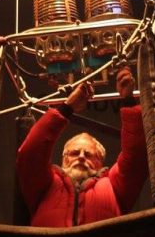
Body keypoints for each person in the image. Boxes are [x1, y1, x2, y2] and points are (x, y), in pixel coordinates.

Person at [16, 66, 147, 227]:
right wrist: (67, 107)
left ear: (101, 162)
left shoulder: (114, 185)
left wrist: (128, 100)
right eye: (74, 153)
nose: (81, 157)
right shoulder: (47, 183)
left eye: (89, 154)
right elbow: (31, 153)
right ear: (64, 159)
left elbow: (136, 156)